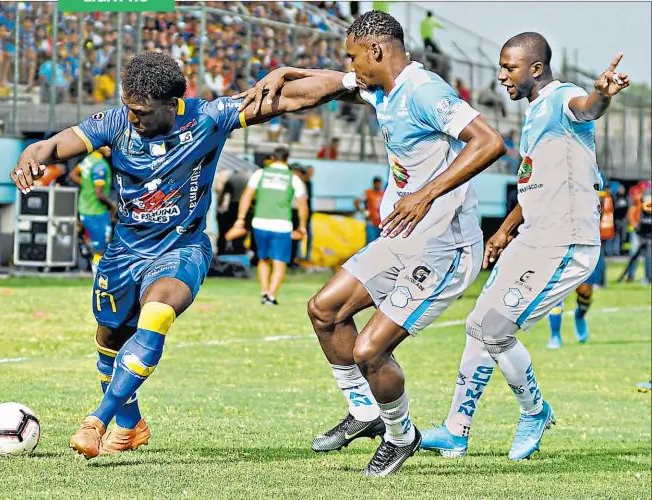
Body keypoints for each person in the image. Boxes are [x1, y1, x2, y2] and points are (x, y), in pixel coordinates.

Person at [9, 51, 350, 460]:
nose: (134, 119)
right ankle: (131, 426)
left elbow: (292, 98)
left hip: (181, 246)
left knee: (157, 313)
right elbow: (60, 143)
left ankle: (96, 421)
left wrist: (351, 81)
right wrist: (36, 151)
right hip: (124, 252)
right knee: (110, 337)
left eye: (142, 112)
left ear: (172, 105)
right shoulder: (117, 122)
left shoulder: (210, 117)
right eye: (129, 108)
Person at [236, 10, 505, 476]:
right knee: (325, 310)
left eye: (353, 56)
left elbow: (488, 141)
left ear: (376, 51)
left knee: (369, 351)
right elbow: (323, 86)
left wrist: (425, 193)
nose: (350, 65)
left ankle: (401, 436)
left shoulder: (424, 91)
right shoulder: (382, 88)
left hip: (444, 247)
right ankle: (365, 413)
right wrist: (286, 75)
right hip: (402, 237)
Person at [420, 33, 630, 461]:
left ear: (535, 68)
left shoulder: (561, 97)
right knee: (477, 326)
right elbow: (534, 180)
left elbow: (586, 108)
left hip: (565, 241)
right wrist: (504, 231)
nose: (501, 76)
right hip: (532, 237)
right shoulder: (535, 113)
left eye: (508, 68)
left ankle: (535, 412)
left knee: (497, 330)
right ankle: (456, 430)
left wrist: (601, 96)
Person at [234, 147, 308, 305]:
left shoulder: (260, 173)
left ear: (273, 158)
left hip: (259, 222)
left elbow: (246, 196)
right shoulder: (293, 178)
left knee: (263, 258)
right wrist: (302, 226)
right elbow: (302, 205)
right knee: (280, 261)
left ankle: (264, 291)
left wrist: (240, 218)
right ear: (287, 160)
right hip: (282, 225)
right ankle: (271, 295)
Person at [546, 172, 611, 348]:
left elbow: (601, 206)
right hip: (559, 241)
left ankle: (580, 316)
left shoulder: (595, 174)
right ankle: (555, 335)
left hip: (586, 241)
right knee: (556, 290)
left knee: (585, 291)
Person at [69, 147, 115, 276]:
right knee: (102, 249)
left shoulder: (88, 160)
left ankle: (99, 276)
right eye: (105, 145)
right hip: (96, 211)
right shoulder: (100, 165)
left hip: (84, 208)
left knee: (98, 248)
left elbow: (73, 174)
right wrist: (113, 207)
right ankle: (99, 280)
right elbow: (99, 194)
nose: (109, 147)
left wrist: (87, 185)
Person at [354, 177, 384, 244]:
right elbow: (356, 203)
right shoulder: (368, 193)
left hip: (381, 222)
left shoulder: (383, 193)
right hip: (371, 222)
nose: (378, 185)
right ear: (374, 184)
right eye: (377, 184)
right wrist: (364, 212)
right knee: (371, 242)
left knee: (380, 243)